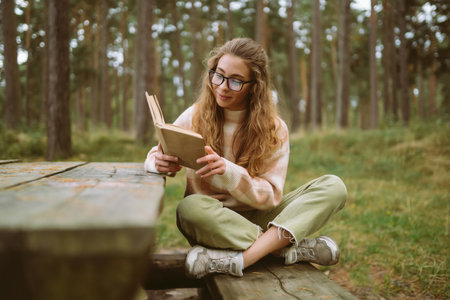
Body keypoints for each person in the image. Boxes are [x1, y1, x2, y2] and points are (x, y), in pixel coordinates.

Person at [144, 37, 347, 279]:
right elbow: (156, 153)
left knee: (334, 186)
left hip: (262, 215)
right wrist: (157, 162)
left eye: (235, 81)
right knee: (189, 208)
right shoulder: (196, 115)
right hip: (215, 219)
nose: (222, 86)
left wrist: (228, 172)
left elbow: (270, 196)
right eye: (218, 75)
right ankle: (281, 248)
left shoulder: (274, 128)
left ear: (255, 85)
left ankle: (242, 259)